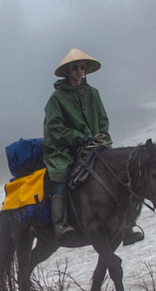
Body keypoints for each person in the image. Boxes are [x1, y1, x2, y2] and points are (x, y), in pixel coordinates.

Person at [42, 48, 143, 245]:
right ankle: (60, 223)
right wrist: (79, 138)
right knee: (60, 173)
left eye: (82, 68)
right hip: (64, 150)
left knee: (118, 171)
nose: (79, 71)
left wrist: (101, 137)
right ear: (68, 72)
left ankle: (127, 224)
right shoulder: (56, 100)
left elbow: (102, 120)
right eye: (75, 68)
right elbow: (54, 127)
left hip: (95, 145)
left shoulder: (93, 93)